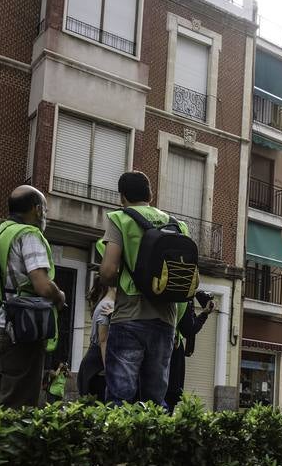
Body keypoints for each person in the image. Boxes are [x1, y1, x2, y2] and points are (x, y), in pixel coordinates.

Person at [99, 171, 178, 405]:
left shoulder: (120, 219)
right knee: (155, 399)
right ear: (151, 195)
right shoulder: (177, 225)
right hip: (166, 319)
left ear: (122, 197)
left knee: (120, 397)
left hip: (129, 316)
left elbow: (108, 271)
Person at [0, 185, 65, 408]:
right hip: (20, 330)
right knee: (17, 407)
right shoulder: (29, 234)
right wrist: (59, 296)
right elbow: (42, 285)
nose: (45, 214)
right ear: (37, 210)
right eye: (44, 209)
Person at [165, 293, 215, 412]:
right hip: (172, 348)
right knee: (168, 399)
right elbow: (189, 328)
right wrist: (205, 313)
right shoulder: (184, 292)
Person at [77, 275, 116, 400]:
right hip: (98, 370)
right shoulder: (107, 305)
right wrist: (109, 373)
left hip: (93, 365)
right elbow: (103, 341)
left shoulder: (107, 305)